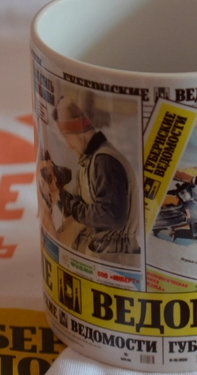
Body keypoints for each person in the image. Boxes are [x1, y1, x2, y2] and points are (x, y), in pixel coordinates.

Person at [51, 94, 141, 261]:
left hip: (115, 260)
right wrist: (58, 195)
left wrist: (68, 202)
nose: (68, 145)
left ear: (79, 131)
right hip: (102, 256)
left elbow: (110, 216)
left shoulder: (105, 161)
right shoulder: (90, 163)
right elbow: (81, 211)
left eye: (67, 137)